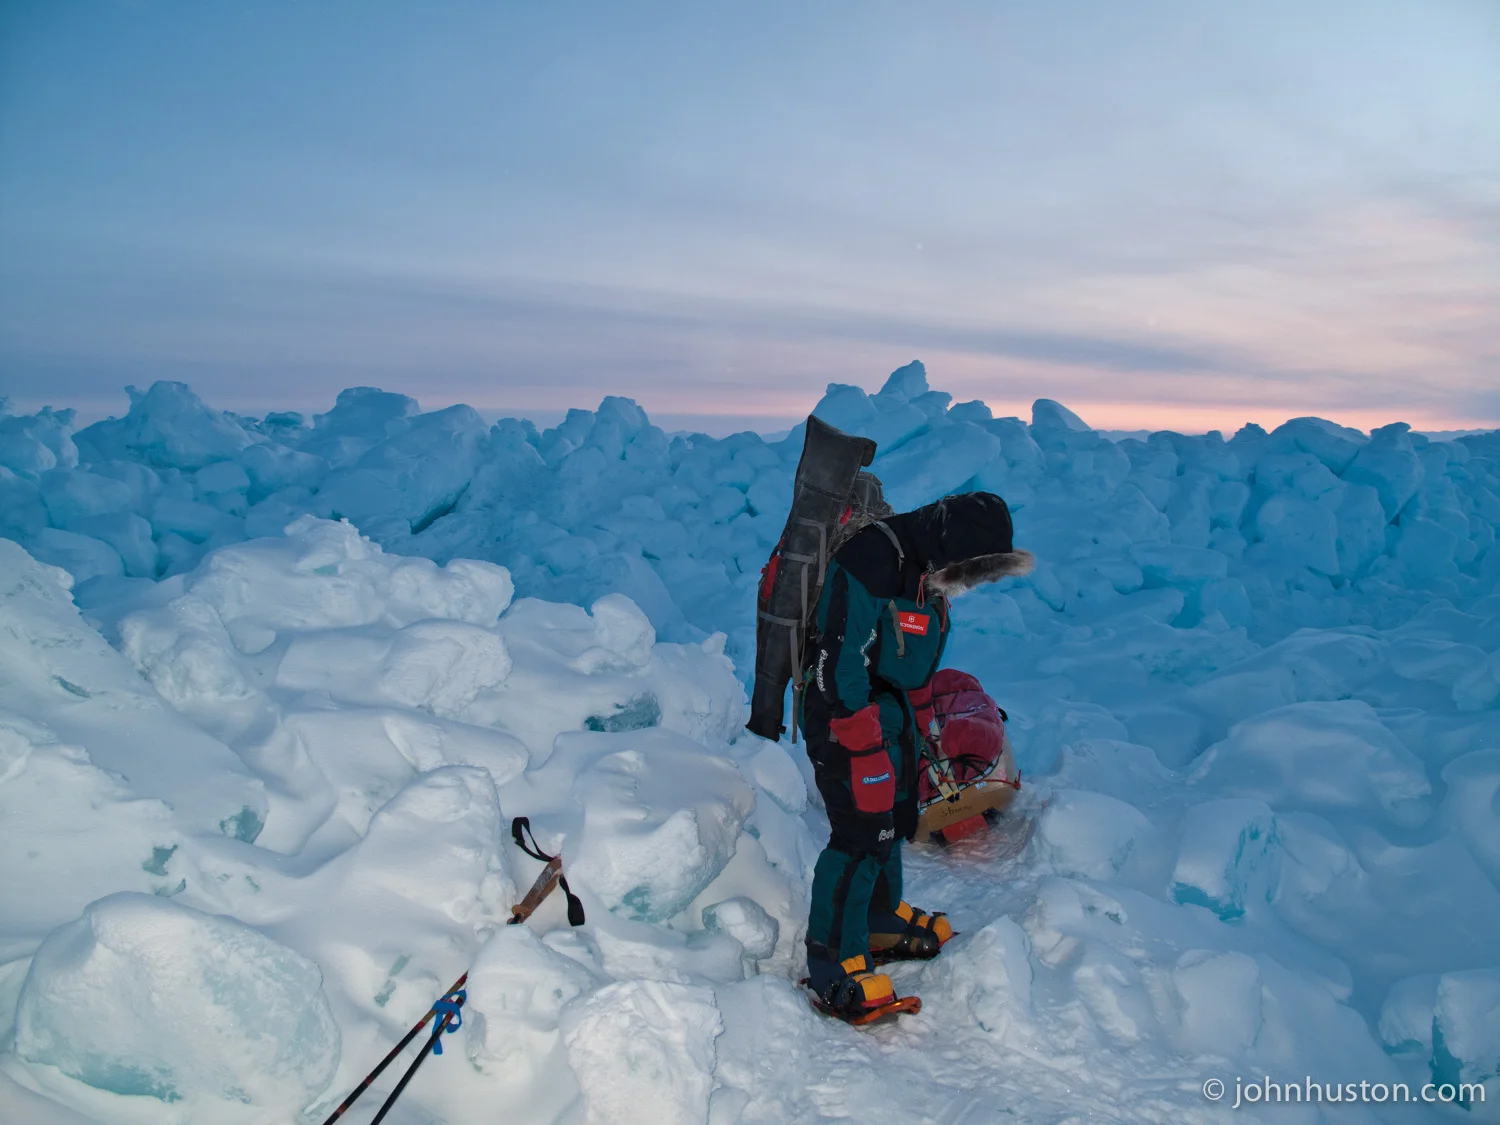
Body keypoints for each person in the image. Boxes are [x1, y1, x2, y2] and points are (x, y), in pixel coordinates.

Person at [801, 491, 1034, 1016]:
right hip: (842, 715)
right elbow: (835, 664)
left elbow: (907, 660)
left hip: (891, 710)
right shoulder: (870, 560)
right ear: (954, 549)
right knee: (860, 831)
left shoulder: (926, 568)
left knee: (896, 815)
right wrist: (861, 748)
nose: (972, 584)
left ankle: (879, 918)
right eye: (973, 571)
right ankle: (831, 959)